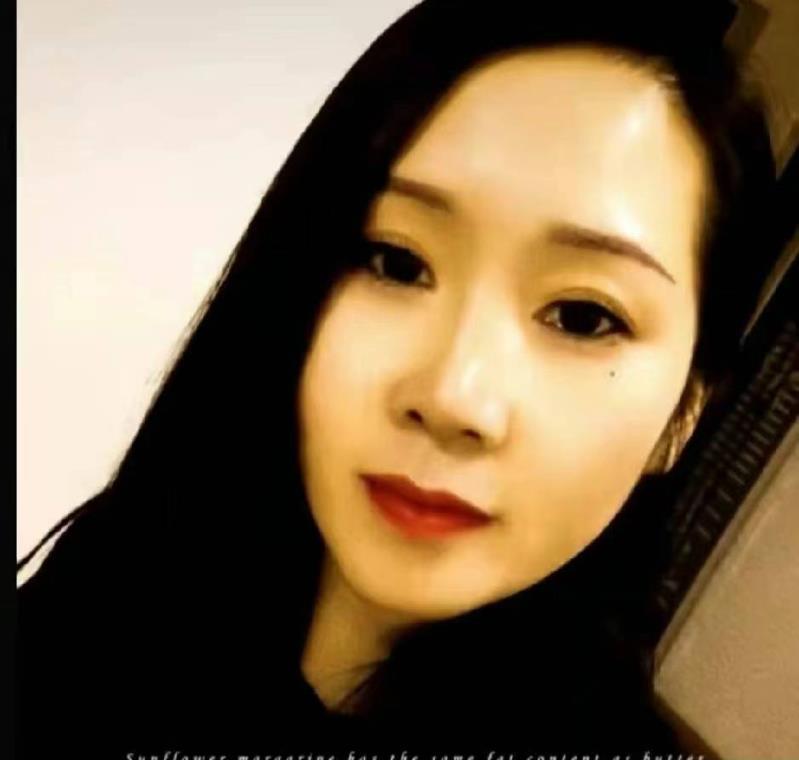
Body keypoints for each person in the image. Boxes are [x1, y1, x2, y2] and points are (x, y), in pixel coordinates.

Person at [16, 0, 778, 757]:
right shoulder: (113, 585)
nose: (452, 397)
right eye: (395, 262)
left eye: (582, 317)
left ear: (682, 413)